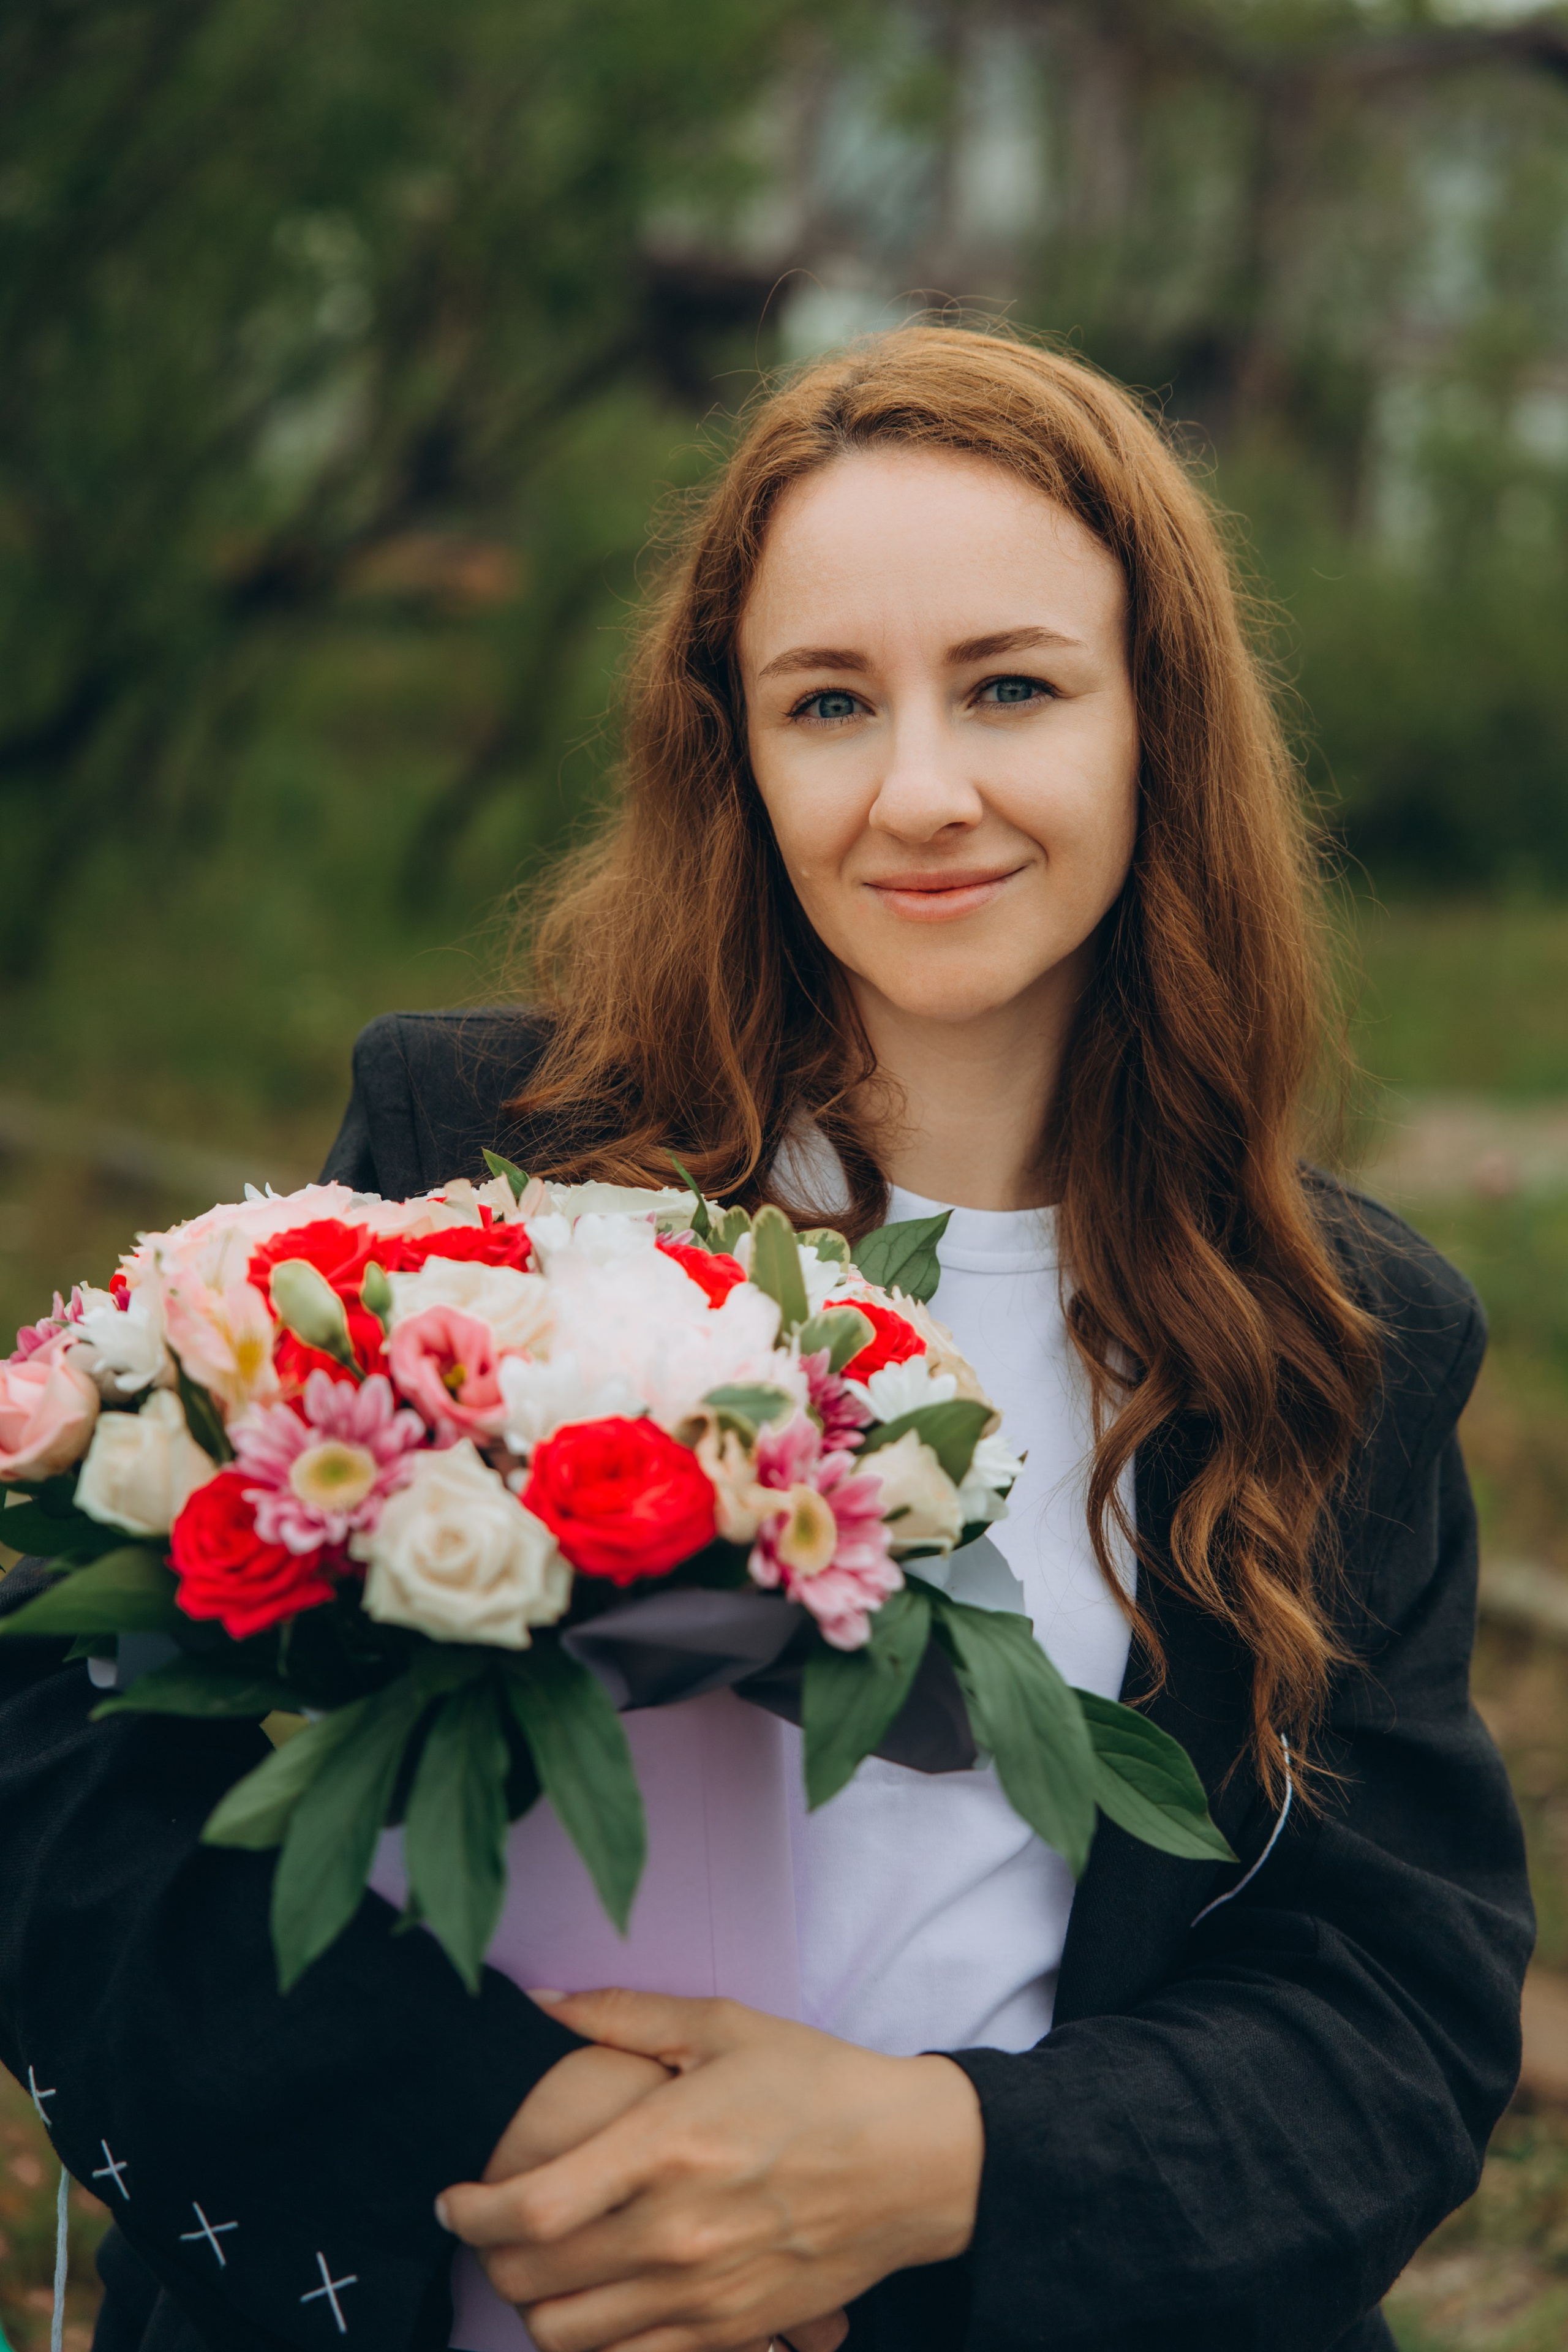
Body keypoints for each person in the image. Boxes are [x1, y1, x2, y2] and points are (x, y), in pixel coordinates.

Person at [0, 325, 1532, 2352]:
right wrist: (516, 2126)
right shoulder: (478, 1160)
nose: (921, 791)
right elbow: (62, 1759)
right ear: (736, 744)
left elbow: (1391, 2000)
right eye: (830, 702)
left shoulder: (1338, 1333)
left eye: (1010, 687)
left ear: (1157, 723)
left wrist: (935, 2174)